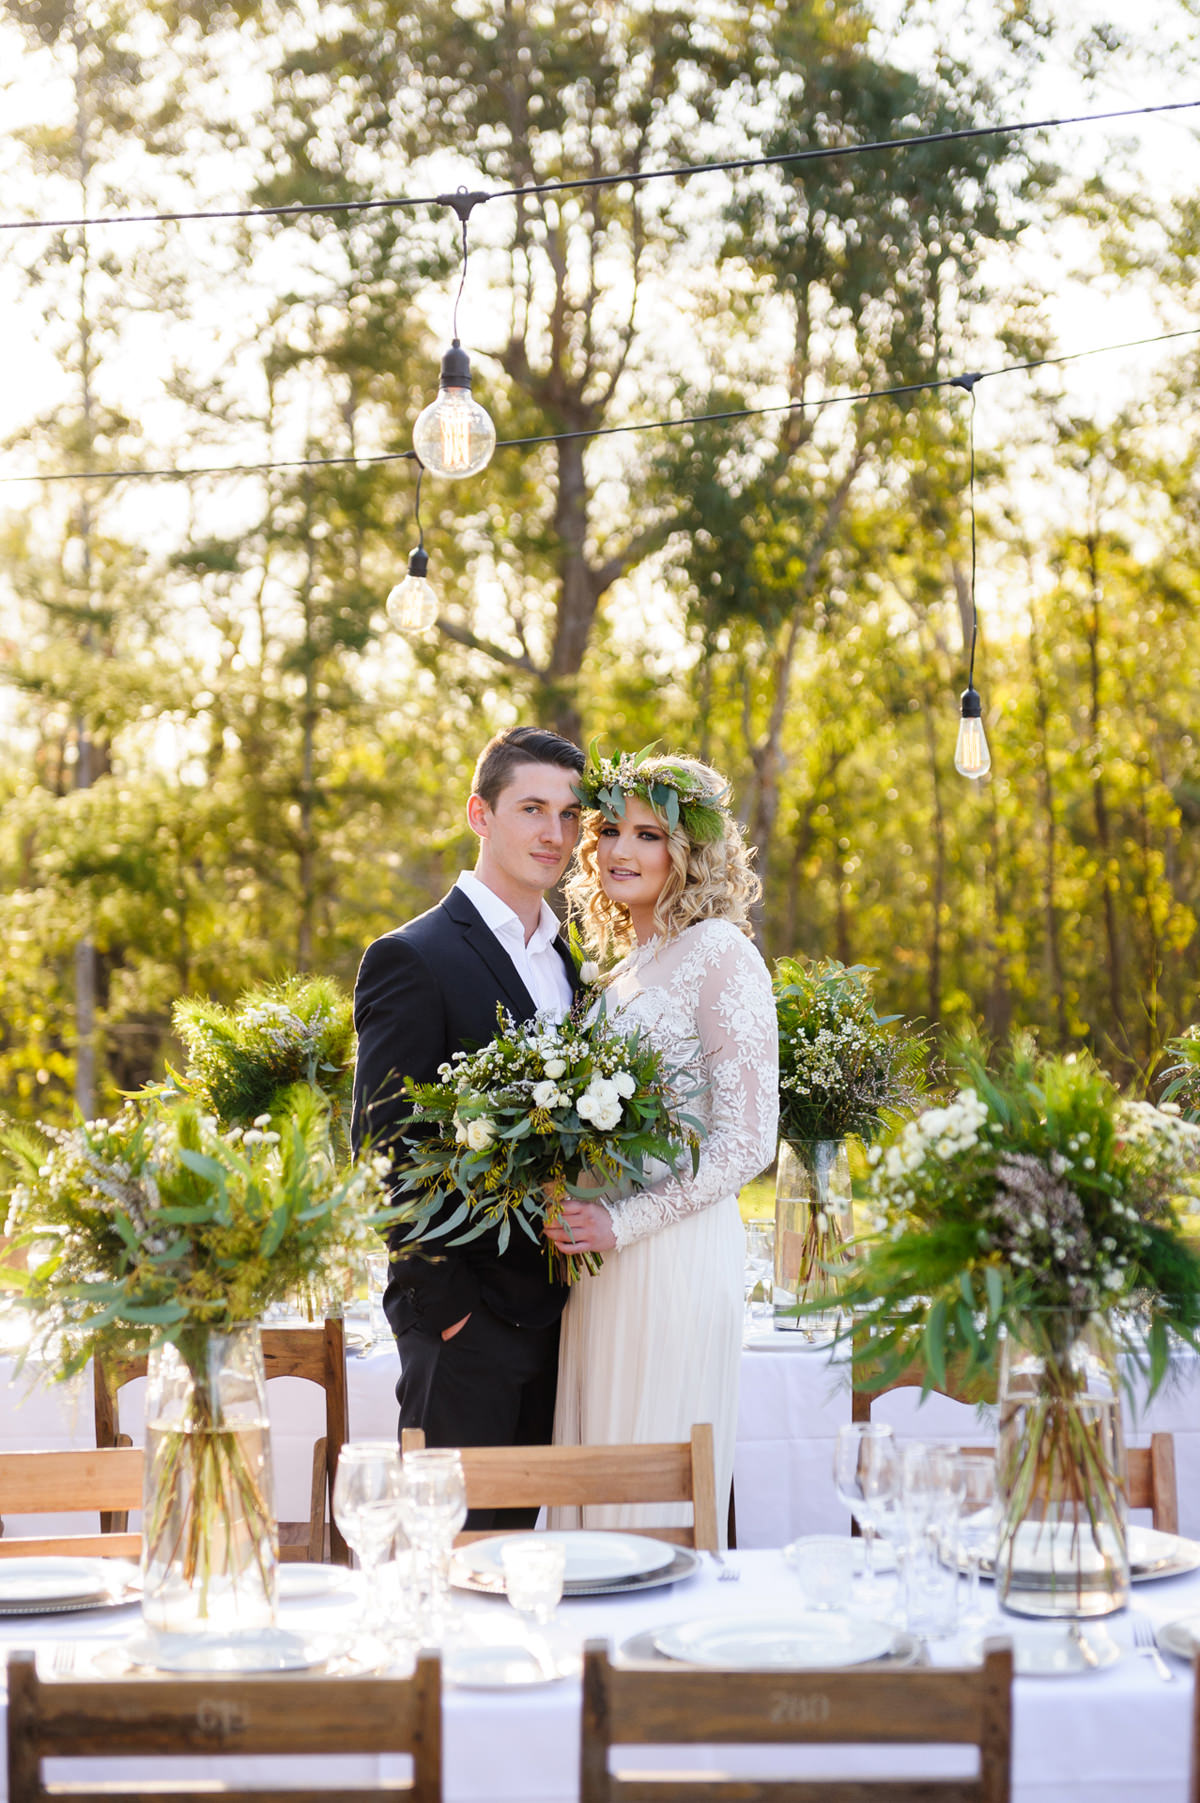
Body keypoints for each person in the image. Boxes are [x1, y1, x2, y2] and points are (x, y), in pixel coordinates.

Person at [545, 750, 778, 1542]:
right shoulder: (626, 967)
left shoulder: (722, 954)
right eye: (611, 829)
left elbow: (749, 1140)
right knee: (596, 1479)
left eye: (648, 834)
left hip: (671, 1257)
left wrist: (627, 1223)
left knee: (651, 1500)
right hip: (601, 1263)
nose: (619, 850)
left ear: (691, 851)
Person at [351, 725, 584, 1519]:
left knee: (541, 1563)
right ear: (480, 814)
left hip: (569, 1318)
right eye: (532, 808)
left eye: (570, 813)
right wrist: (445, 1304)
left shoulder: (568, 960)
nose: (554, 833)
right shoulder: (411, 956)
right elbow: (386, 1142)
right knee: (453, 1557)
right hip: (465, 1322)